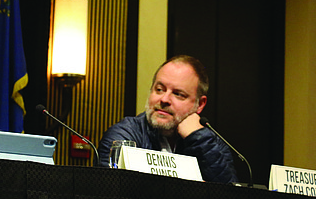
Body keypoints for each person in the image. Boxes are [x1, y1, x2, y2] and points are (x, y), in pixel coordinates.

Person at [98, 55, 237, 183]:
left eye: (178, 94)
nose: (164, 99)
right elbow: (114, 195)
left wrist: (198, 138)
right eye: (159, 89)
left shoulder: (212, 143)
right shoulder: (125, 134)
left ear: (199, 104)